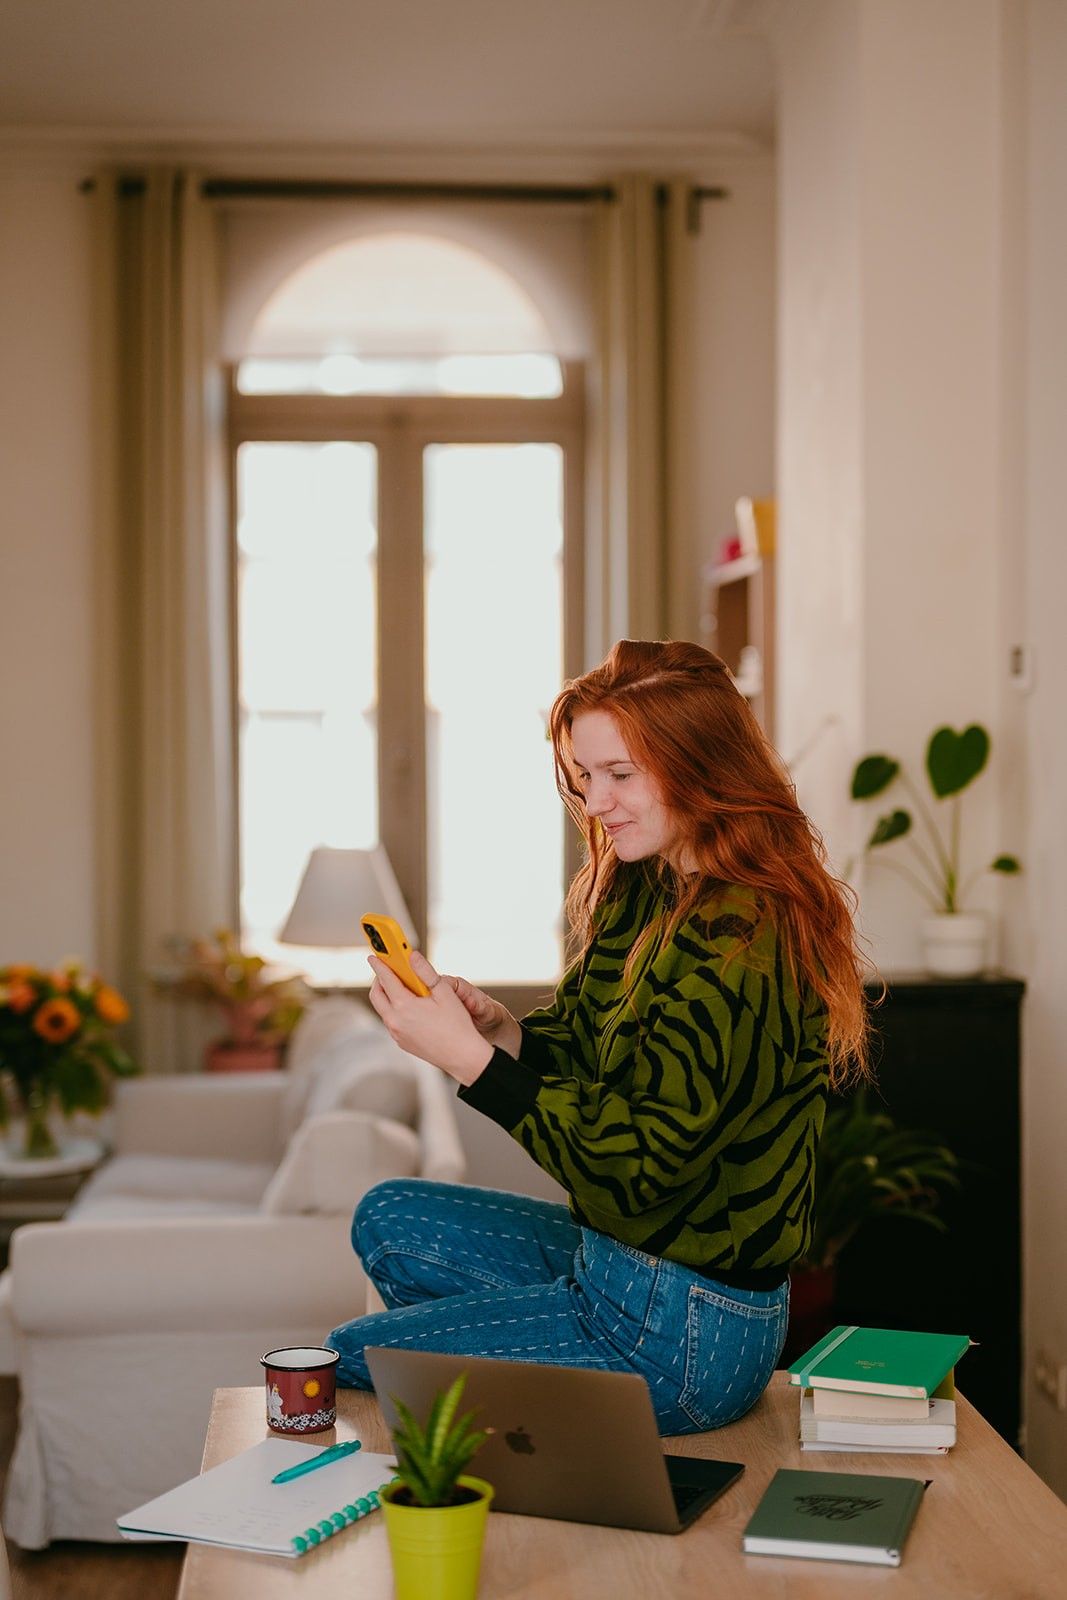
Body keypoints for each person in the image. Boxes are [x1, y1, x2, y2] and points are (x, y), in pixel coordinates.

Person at [326, 638, 871, 1433]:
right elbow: (586, 1048)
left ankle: (522, 1448)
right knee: (389, 1217)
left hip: (686, 1332)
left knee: (347, 1357)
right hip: (615, 1263)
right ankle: (532, 1412)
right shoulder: (649, 883)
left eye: (621, 775)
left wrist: (472, 1064)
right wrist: (500, 1035)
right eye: (585, 778)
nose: (596, 803)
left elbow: (637, 1171)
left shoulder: (743, 940)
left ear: (702, 766)